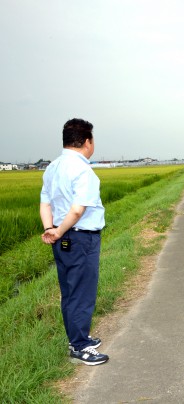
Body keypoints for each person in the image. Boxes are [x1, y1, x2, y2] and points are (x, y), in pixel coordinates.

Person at [40, 118, 109, 365]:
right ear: (87, 142)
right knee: (82, 292)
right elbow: (78, 210)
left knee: (69, 291)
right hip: (80, 238)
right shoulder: (83, 170)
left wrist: (51, 229)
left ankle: (77, 338)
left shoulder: (52, 167)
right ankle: (80, 347)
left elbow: (45, 202)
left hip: (63, 238)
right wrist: (59, 231)